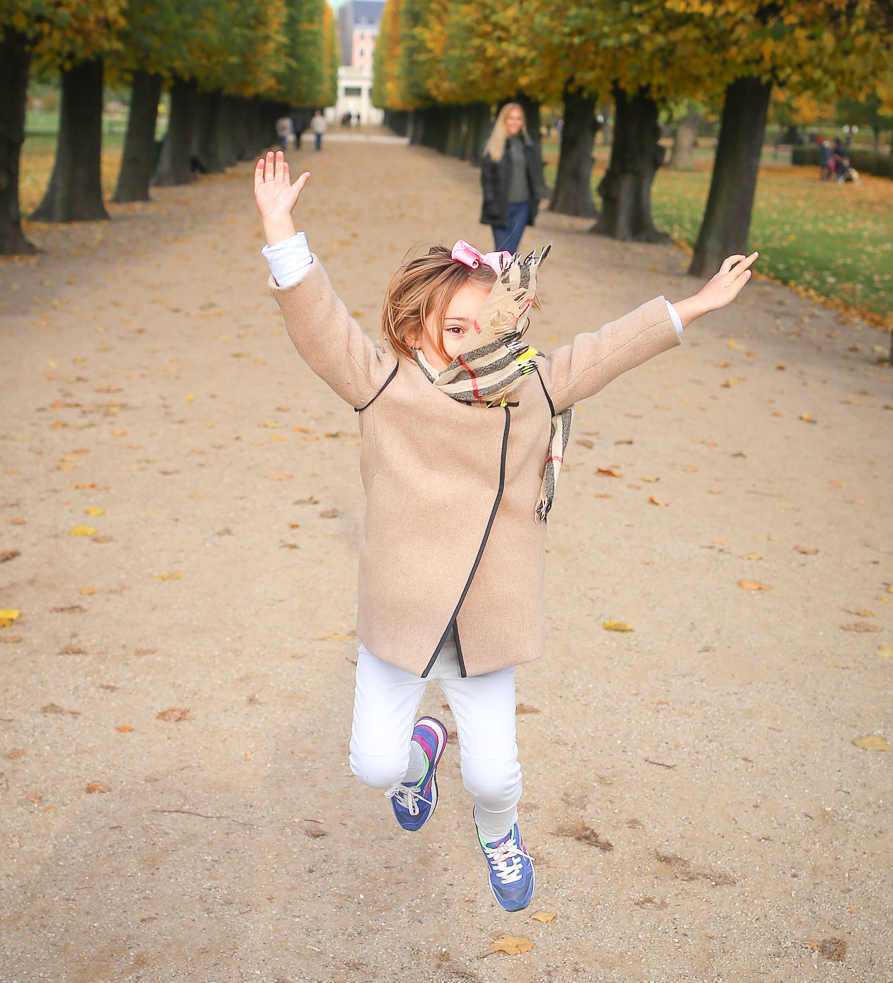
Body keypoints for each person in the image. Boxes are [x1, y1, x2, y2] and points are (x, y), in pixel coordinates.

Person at [252, 149, 757, 912]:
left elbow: (609, 348)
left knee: (493, 776)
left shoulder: (534, 388)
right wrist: (281, 228)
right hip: (401, 620)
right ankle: (424, 751)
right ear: (417, 325)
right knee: (373, 767)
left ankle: (501, 836)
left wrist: (693, 305)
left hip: (487, 624)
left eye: (485, 326)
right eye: (452, 327)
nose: (467, 342)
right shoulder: (385, 386)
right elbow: (323, 328)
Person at [480, 102, 543, 256]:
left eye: (518, 119)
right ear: (504, 120)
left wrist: (535, 200)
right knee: (502, 254)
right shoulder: (492, 146)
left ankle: (508, 281)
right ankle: (497, 280)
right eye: (511, 118)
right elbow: (486, 179)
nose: (515, 122)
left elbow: (532, 176)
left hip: (522, 207)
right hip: (500, 207)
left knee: (512, 253)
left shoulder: (527, 145)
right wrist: (491, 202)